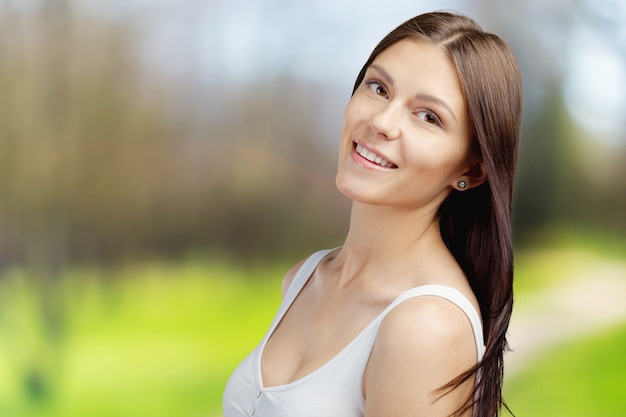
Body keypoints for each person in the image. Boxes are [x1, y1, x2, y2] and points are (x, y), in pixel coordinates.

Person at [223, 10, 522, 417]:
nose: (381, 122)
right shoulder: (303, 279)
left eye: (428, 116)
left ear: (470, 169)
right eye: (378, 88)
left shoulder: (425, 326)